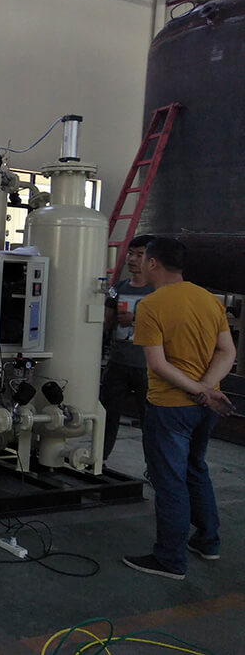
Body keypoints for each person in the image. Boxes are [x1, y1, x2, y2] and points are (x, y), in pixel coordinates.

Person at [122, 237, 237, 580]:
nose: (137, 263)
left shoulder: (151, 305)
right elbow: (227, 351)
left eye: (142, 258)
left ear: (153, 263)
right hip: (207, 408)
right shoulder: (209, 300)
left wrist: (197, 390)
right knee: (195, 469)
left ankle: (170, 559)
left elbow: (158, 365)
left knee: (170, 481)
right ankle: (208, 541)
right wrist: (207, 390)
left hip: (171, 406)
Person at [101, 234, 155, 460]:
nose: (132, 259)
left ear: (152, 260)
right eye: (131, 254)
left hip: (148, 367)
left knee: (151, 420)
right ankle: (99, 459)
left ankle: (155, 466)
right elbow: (106, 323)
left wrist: (134, 320)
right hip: (118, 363)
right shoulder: (118, 288)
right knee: (107, 414)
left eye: (139, 255)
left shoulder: (157, 291)